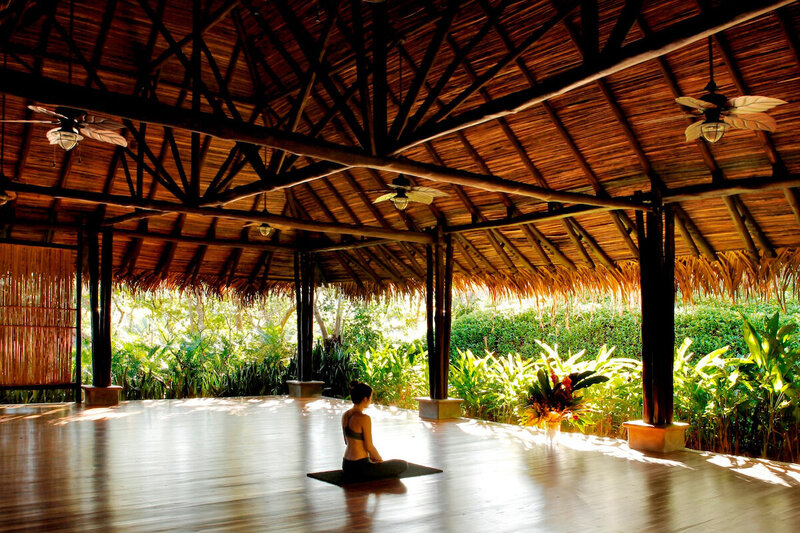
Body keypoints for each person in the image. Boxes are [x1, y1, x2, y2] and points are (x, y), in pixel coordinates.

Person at [342, 381, 407, 481]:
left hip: (346, 465)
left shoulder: (345, 415)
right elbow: (369, 446)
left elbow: (347, 441)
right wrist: (379, 460)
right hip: (361, 467)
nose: (370, 400)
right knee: (402, 465)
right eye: (370, 398)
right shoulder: (364, 418)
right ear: (365, 399)